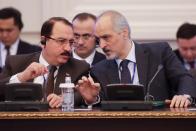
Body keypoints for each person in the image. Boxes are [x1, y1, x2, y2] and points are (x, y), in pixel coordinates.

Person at [90, 10, 196, 108]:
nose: (102, 45)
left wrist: (185, 96)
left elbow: (184, 78)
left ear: (124, 33)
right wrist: (92, 99)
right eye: (99, 40)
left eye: (106, 37)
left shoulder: (159, 53)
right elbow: (101, 104)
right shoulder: (99, 69)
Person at [0, 17, 100, 108]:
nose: (68, 48)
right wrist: (21, 77)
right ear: (44, 41)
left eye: (71, 42)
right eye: (61, 41)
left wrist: (68, 98)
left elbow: (83, 95)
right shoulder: (15, 63)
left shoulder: (80, 68)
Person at [0, 7, 41, 73]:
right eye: (1, 30)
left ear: (20, 28)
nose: (4, 35)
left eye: (9, 30)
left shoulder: (34, 52)